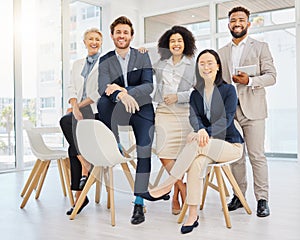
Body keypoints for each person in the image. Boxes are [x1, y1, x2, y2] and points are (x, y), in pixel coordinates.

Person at [140, 49, 244, 234]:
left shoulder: (228, 90)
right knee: (196, 164)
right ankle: (192, 215)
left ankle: (166, 186)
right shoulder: (196, 93)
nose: (206, 66)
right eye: (202, 63)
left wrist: (203, 132)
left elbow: (226, 120)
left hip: (230, 144)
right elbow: (193, 118)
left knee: (195, 143)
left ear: (218, 66)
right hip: (206, 145)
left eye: (210, 62)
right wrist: (199, 131)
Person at [97, 16, 165, 225]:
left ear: (131, 36)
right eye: (118, 32)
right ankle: (114, 142)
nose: (122, 36)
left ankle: (139, 202)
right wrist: (119, 96)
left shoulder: (141, 56)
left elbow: (148, 85)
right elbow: (103, 87)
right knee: (102, 103)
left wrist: (124, 91)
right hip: (117, 106)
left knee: (144, 149)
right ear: (112, 35)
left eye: (125, 32)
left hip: (141, 106)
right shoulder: (105, 59)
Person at [218, 6, 276, 217]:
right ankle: (238, 195)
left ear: (248, 23)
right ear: (228, 25)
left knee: (257, 156)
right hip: (231, 112)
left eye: (241, 20)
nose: (237, 23)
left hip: (254, 110)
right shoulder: (222, 52)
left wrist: (250, 81)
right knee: (236, 157)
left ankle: (262, 199)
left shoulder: (261, 47)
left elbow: (271, 76)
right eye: (233, 20)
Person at [152, 25, 196, 215]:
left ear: (185, 43)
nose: (176, 44)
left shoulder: (193, 64)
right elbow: (141, 70)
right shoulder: (161, 63)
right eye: (172, 41)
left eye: (179, 40)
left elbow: (199, 90)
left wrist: (179, 97)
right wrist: (141, 51)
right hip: (163, 112)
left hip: (184, 113)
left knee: (182, 155)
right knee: (163, 152)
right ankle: (184, 188)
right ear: (167, 45)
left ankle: (176, 198)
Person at [60, 28, 102, 215]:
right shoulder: (77, 64)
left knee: (66, 123)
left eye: (97, 39)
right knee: (71, 141)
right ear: (84, 42)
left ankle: (80, 196)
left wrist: (78, 108)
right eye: (90, 39)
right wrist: (73, 104)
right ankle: (85, 168)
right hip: (78, 109)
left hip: (94, 110)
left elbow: (99, 91)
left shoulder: (105, 63)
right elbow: (71, 87)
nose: (94, 42)